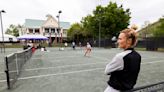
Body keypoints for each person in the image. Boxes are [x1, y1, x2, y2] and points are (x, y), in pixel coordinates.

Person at [104, 26, 141, 92]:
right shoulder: (138, 56)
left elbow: (107, 71)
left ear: (129, 41)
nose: (118, 41)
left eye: (120, 39)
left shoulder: (120, 56)